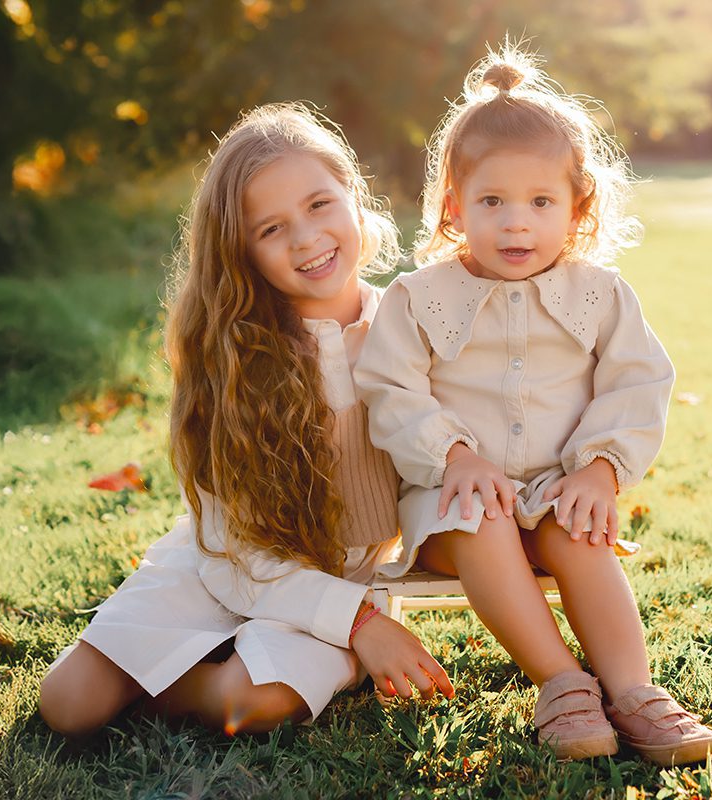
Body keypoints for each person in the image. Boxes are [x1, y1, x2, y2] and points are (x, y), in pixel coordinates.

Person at [354, 46, 712, 765]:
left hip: (556, 491)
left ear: (577, 206)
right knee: (484, 514)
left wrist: (600, 471)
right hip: (453, 505)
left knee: (578, 531)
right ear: (455, 205)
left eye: (541, 203)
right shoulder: (419, 298)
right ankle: (562, 682)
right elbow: (388, 388)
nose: (516, 224)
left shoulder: (601, 296)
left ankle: (635, 690)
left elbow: (637, 382)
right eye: (492, 202)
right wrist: (452, 455)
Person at [38, 103, 453, 739]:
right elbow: (234, 548)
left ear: (353, 195)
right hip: (228, 561)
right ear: (241, 253)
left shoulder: (413, 327)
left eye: (319, 204)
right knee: (68, 704)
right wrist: (365, 629)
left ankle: (216, 671)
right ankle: (197, 651)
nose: (306, 239)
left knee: (252, 701)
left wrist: (354, 617)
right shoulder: (228, 359)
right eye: (270, 228)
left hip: (337, 583)